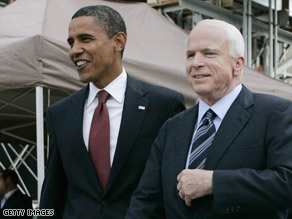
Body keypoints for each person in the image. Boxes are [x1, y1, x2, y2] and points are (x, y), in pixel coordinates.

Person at [126, 19, 292, 219]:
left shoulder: (276, 113)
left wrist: (215, 182)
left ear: (237, 64)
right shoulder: (172, 127)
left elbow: (287, 182)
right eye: (190, 55)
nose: (196, 63)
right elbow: (147, 201)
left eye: (209, 53)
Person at [39, 5, 185, 219]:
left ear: (118, 41)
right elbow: (53, 192)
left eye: (85, 39)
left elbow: (175, 187)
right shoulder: (59, 114)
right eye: (71, 42)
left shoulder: (164, 105)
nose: (74, 50)